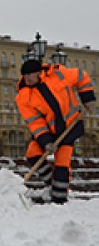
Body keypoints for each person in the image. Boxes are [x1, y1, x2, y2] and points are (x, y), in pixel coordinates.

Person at [15, 59, 96, 204]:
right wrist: (46, 141)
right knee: (32, 153)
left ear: (39, 72)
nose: (27, 78)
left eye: (30, 74)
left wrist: (88, 97)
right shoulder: (24, 96)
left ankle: (59, 198)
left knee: (62, 163)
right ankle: (51, 182)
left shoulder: (58, 74)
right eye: (24, 75)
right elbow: (35, 122)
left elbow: (81, 76)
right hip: (50, 131)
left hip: (71, 125)